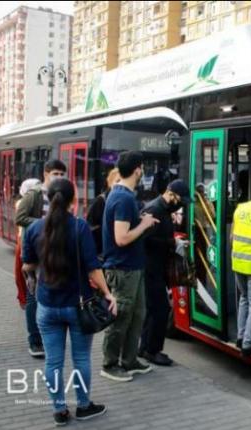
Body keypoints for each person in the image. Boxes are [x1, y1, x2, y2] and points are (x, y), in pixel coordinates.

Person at [21, 178, 117, 426]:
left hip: (47, 306)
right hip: (78, 305)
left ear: (48, 198)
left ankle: (60, 411)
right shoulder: (79, 227)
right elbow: (93, 269)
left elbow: (27, 264)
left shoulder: (34, 229)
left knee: (53, 362)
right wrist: (108, 294)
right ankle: (84, 406)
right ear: (73, 200)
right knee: (81, 359)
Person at [101, 151, 159, 382]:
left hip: (132, 267)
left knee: (137, 315)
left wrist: (143, 221)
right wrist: (144, 224)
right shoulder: (123, 198)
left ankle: (129, 359)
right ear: (137, 169)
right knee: (122, 317)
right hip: (123, 269)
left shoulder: (122, 195)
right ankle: (109, 364)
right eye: (142, 167)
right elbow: (121, 238)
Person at [15, 159, 67, 358]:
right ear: (46, 174)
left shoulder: (61, 195)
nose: (59, 178)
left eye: (62, 174)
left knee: (50, 295)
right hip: (36, 251)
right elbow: (20, 218)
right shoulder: (35, 194)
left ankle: (48, 337)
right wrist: (44, 224)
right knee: (33, 296)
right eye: (56, 173)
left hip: (55, 252)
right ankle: (34, 341)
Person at [138, 179, 191, 366]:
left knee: (154, 309)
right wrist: (172, 243)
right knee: (161, 309)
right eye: (179, 199)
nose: (180, 203)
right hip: (151, 267)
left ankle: (144, 347)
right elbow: (145, 240)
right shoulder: (155, 210)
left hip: (156, 266)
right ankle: (153, 350)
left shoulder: (164, 209)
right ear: (170, 194)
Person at [231, 172, 251, 357]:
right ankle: (248, 343)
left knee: (244, 299)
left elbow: (231, 237)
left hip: (238, 262)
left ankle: (240, 336)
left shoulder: (240, 208)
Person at [14, 179, 41, 312]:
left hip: (25, 243)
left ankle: (26, 299)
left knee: (28, 276)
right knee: (26, 275)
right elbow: (20, 220)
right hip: (24, 243)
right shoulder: (24, 201)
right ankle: (25, 299)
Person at [86, 168, 120, 257]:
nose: (121, 185)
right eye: (117, 181)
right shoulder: (101, 201)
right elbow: (91, 227)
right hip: (102, 252)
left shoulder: (128, 200)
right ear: (110, 182)